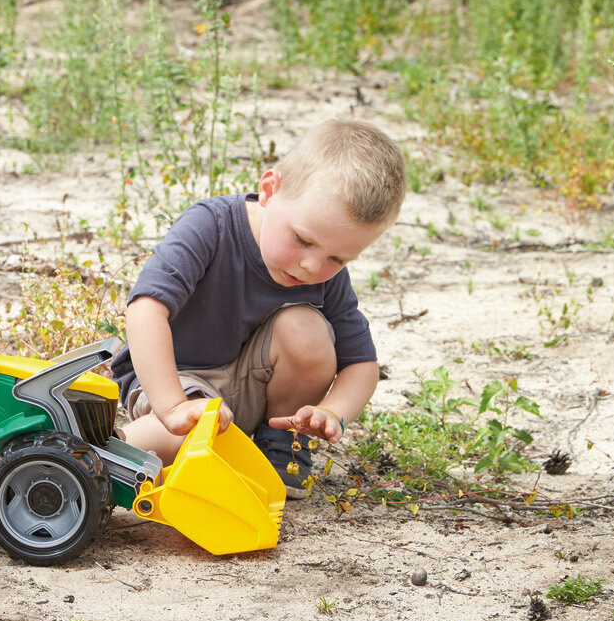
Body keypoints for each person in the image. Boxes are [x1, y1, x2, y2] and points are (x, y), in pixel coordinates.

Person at [111, 118, 406, 498]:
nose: (313, 267)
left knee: (306, 329)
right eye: (302, 240)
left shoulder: (323, 275)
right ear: (269, 189)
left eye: (338, 258)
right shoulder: (211, 226)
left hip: (253, 391)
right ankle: (95, 461)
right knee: (174, 439)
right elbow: (145, 309)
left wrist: (332, 411)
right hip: (177, 380)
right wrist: (172, 407)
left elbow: (362, 364)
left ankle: (282, 449)